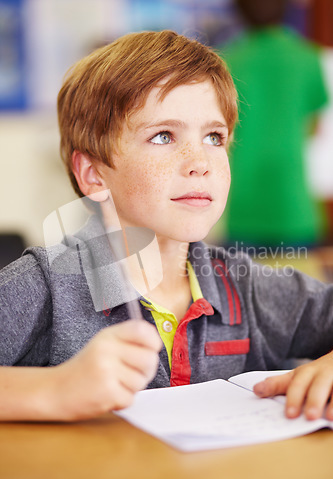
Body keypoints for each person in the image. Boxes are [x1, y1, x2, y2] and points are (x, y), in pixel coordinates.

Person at [0, 30, 332, 423]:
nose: (200, 161)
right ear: (93, 175)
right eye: (163, 136)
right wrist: (53, 390)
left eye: (214, 137)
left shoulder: (248, 288)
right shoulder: (44, 287)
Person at [218, 0, 329, 248]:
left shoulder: (224, 63)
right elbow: (315, 128)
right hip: (295, 207)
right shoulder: (309, 58)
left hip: (243, 208)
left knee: (241, 286)